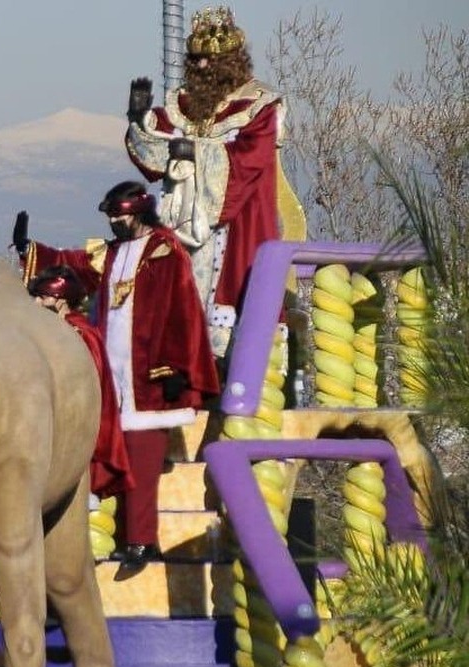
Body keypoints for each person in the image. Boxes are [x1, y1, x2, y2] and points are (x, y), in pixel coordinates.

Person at [15, 182, 218, 578]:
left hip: (151, 380)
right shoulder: (111, 254)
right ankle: (123, 539)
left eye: (118, 215)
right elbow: (72, 268)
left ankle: (142, 542)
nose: (112, 222)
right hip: (114, 375)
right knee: (116, 462)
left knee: (141, 466)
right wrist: (31, 251)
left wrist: (176, 368)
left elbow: (183, 312)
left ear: (138, 213)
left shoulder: (165, 251)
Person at [124, 5, 302, 358]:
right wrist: (138, 121)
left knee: (236, 334)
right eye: (196, 60)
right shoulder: (183, 105)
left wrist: (190, 152)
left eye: (210, 61)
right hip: (183, 228)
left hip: (238, 228)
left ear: (231, 61)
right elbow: (157, 151)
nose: (202, 68)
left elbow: (246, 161)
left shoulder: (258, 106)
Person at [26, 266, 133, 501]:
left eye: (42, 297)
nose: (37, 304)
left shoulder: (81, 333)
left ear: (60, 299)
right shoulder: (46, 329)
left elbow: (89, 385)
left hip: (75, 425)